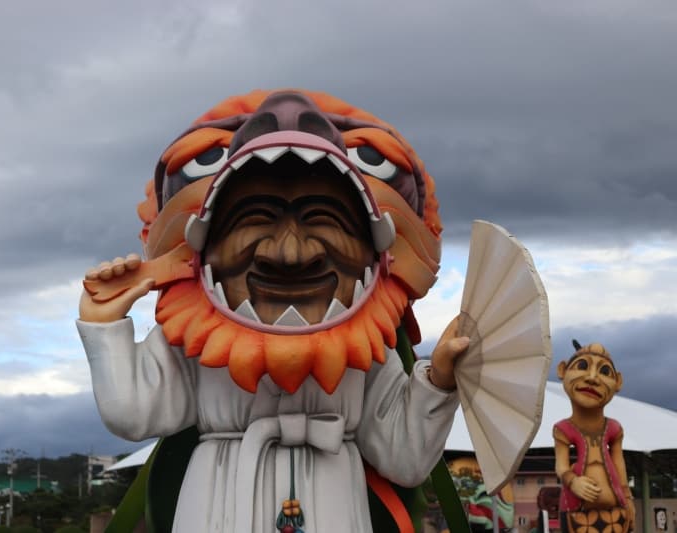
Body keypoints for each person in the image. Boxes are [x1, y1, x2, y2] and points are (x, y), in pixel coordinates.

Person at [77, 90, 470, 533]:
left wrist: (438, 382)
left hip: (333, 495)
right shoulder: (191, 340)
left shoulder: (365, 351)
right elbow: (135, 414)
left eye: (322, 216)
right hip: (219, 499)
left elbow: (404, 458)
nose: (289, 252)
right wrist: (104, 325)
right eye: (254, 217)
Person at [554, 340, 634, 533]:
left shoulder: (614, 428)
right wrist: (574, 482)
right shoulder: (563, 428)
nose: (592, 378)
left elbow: (619, 464)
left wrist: (628, 498)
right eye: (582, 366)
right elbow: (561, 466)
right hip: (576, 510)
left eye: (605, 372)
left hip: (617, 509)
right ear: (563, 370)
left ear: (618, 383)